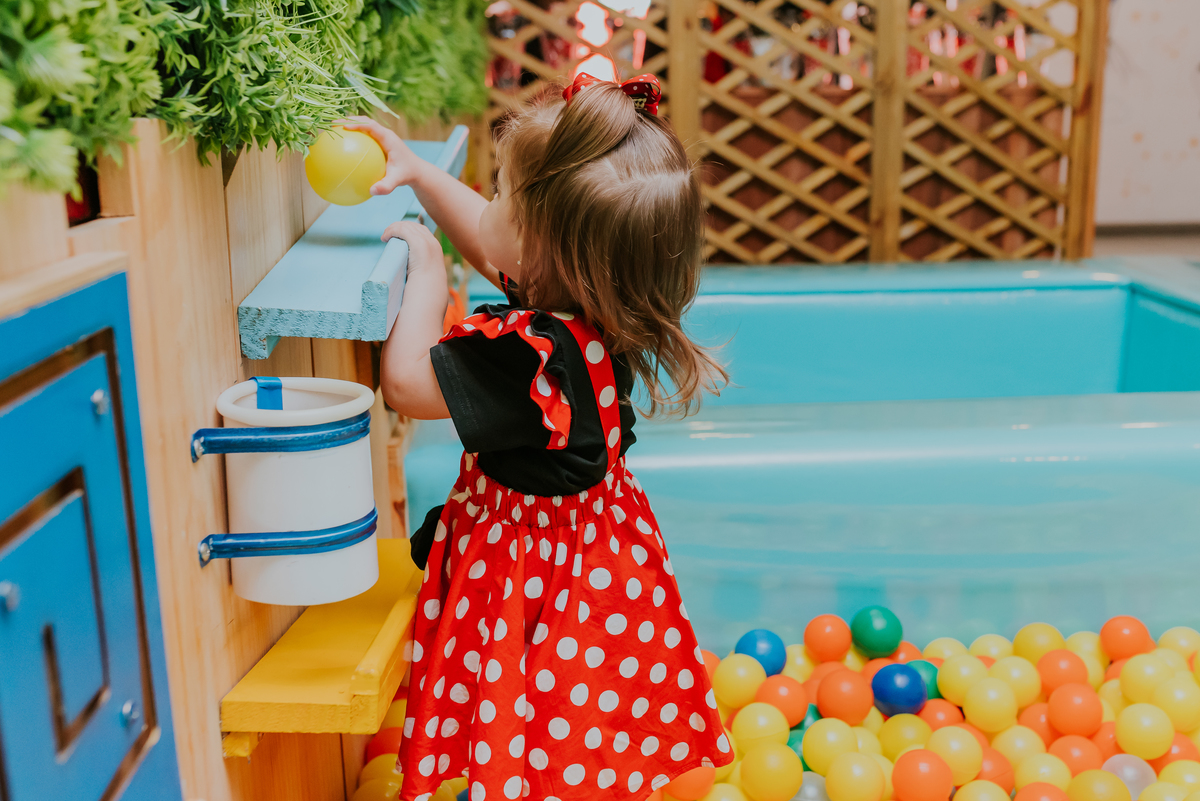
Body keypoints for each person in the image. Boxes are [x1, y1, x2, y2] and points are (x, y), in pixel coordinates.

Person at [344, 71, 732, 801]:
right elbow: (494, 241)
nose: (487, 209)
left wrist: (426, 274)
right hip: (592, 565)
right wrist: (421, 175)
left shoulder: (530, 360)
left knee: (538, 719)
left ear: (540, 249)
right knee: (574, 719)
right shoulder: (595, 309)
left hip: (537, 579)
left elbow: (406, 386)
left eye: (502, 196)